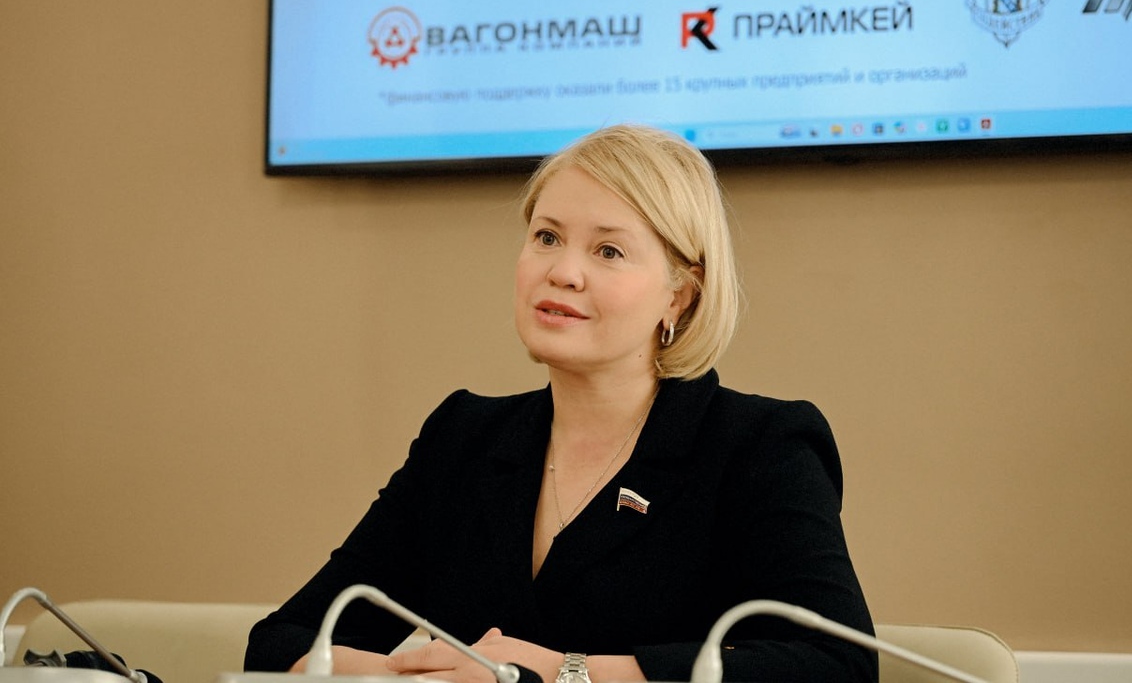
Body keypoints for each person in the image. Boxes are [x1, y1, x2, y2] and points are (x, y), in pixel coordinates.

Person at [244, 124, 877, 683]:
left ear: (679, 295)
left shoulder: (759, 444)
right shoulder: (463, 439)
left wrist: (567, 672)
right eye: (546, 237)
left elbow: (837, 665)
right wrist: (428, 676)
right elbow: (282, 644)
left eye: (608, 251)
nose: (563, 272)